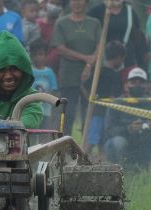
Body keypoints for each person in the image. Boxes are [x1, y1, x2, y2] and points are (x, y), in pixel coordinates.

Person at [51, 0, 102, 136]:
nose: (77, 3)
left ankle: (87, 147)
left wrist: (90, 65)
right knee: (68, 112)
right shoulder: (62, 23)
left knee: (91, 111)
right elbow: (60, 49)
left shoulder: (94, 23)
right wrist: (86, 59)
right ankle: (65, 143)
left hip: (92, 74)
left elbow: (99, 46)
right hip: (69, 74)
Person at [103, 67, 151, 166]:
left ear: (147, 86)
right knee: (118, 142)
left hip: (145, 145)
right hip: (124, 143)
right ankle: (120, 168)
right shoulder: (117, 103)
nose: (137, 85)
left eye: (141, 82)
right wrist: (128, 129)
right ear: (126, 85)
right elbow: (108, 131)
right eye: (133, 82)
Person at [82, 40, 129, 155]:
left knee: (100, 141)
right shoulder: (113, 75)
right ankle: (80, 160)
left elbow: (85, 85)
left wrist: (90, 99)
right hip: (103, 113)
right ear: (118, 57)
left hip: (97, 110)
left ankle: (101, 164)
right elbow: (114, 96)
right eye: (122, 59)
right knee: (92, 140)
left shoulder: (98, 71)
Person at [87, 0, 148, 69]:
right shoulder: (96, 11)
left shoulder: (130, 11)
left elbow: (138, 36)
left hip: (127, 61)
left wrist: (144, 55)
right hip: (104, 63)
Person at [30, 39, 58, 128]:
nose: (38, 57)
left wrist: (45, 97)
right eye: (35, 55)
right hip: (32, 109)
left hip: (46, 110)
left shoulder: (49, 72)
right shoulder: (30, 71)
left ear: (45, 56)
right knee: (32, 132)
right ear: (31, 56)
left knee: (44, 131)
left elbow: (54, 88)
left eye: (41, 54)